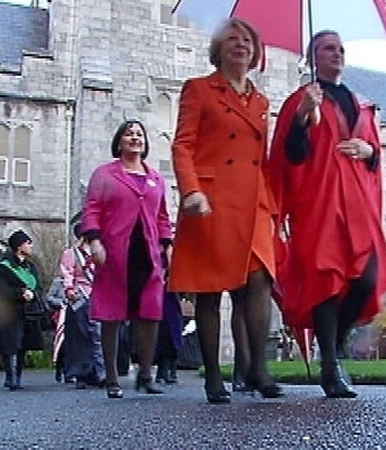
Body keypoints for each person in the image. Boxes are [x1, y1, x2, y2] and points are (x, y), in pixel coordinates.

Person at [268, 30, 386, 398]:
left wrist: (368, 150)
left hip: (356, 204)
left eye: (341, 49)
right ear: (313, 58)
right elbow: (290, 155)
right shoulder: (302, 100)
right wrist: (302, 117)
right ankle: (330, 366)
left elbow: (375, 156)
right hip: (319, 200)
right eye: (328, 49)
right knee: (325, 278)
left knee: (367, 276)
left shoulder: (360, 102)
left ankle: (334, 347)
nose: (337, 54)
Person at [169, 18, 282, 404]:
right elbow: (182, 146)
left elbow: (262, 160)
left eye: (248, 39)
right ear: (218, 50)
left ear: (256, 51)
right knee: (209, 291)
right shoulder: (199, 90)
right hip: (211, 202)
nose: (241, 44)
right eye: (232, 39)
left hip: (253, 205)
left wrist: (274, 209)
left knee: (258, 283)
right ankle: (214, 375)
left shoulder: (262, 101)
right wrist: (191, 191)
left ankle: (257, 368)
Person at [79, 119, 173, 399]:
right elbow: (92, 209)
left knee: (151, 313)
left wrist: (167, 245)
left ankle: (146, 374)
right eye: (129, 134)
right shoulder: (104, 175)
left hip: (148, 253)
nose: (135, 138)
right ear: (119, 142)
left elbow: (162, 217)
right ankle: (111, 377)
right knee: (112, 315)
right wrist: (95, 240)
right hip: (115, 253)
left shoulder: (156, 178)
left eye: (139, 134)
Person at [0, 229, 46, 391]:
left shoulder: (30, 267)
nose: (31, 246)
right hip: (10, 312)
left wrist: (33, 294)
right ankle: (11, 377)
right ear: (19, 246)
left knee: (22, 345)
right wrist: (19, 293)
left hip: (27, 312)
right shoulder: (4, 268)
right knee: (10, 344)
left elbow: (38, 287)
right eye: (28, 243)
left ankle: (18, 376)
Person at [58, 224, 106, 389]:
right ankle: (81, 373)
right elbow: (67, 272)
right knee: (80, 337)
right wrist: (69, 289)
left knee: (98, 335)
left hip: (98, 294)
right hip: (80, 297)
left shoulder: (100, 252)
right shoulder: (71, 253)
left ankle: (100, 372)